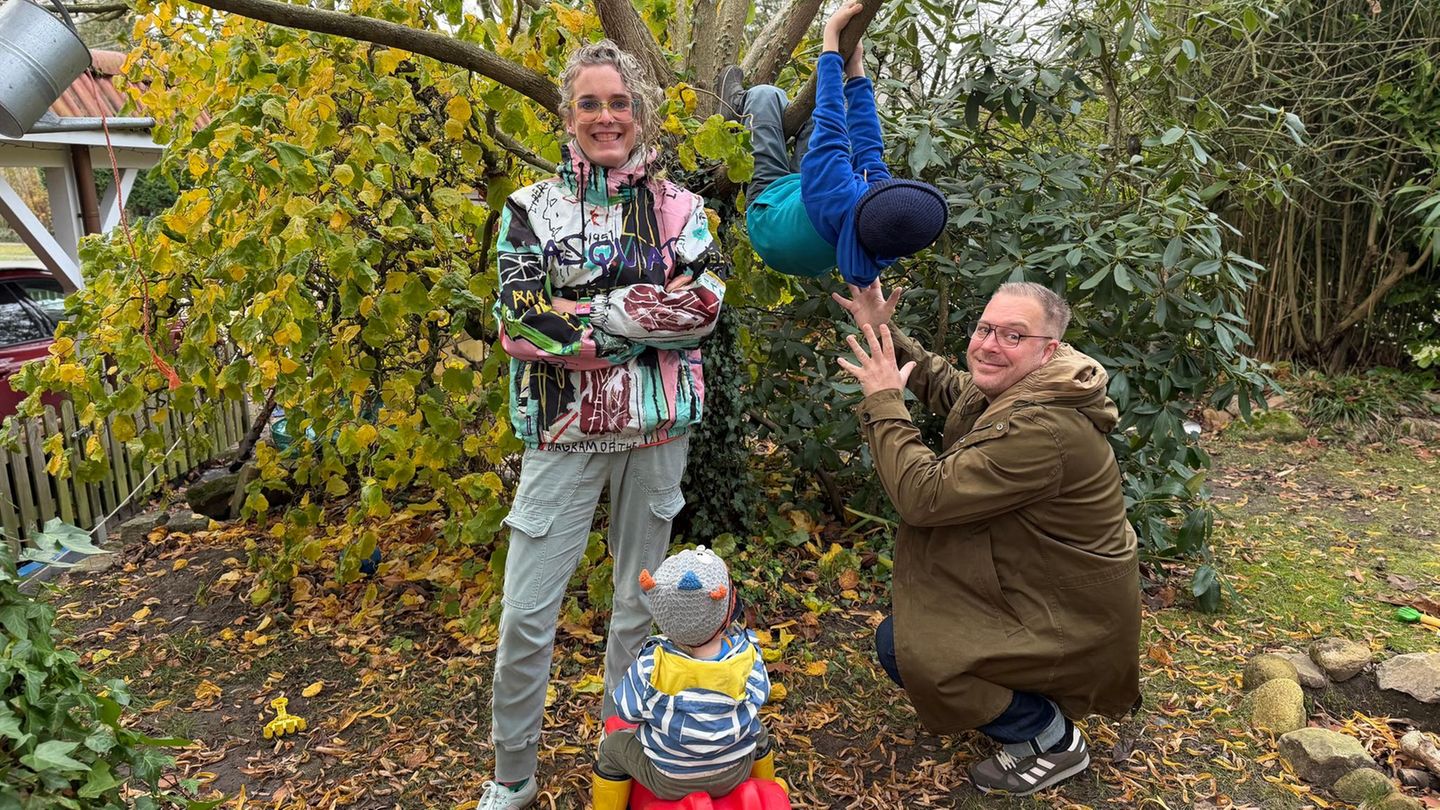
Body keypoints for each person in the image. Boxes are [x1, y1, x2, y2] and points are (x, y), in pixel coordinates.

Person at [479, 39, 732, 810]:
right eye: (590, 103)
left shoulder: (684, 211)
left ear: (641, 112)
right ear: (568, 113)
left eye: (619, 102)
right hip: (561, 438)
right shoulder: (529, 211)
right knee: (526, 617)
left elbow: (706, 311)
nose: (606, 117)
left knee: (638, 613)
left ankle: (615, 766)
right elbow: (518, 326)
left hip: (659, 437)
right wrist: (636, 316)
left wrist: (582, 315)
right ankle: (512, 776)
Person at [833, 280, 1141, 796]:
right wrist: (878, 325)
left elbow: (922, 495)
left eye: (1013, 335)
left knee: (909, 650)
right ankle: (1023, 702)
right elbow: (953, 390)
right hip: (1037, 586)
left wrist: (884, 399)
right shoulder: (1026, 383)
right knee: (917, 631)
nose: (989, 345)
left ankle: (1050, 736)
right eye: (985, 328)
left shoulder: (1043, 427)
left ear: (1050, 348)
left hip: (1069, 615)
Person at [718, 1, 948, 286]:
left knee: (766, 97)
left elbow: (832, 121)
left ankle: (735, 108)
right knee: (814, 130)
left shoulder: (835, 193)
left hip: (768, 223)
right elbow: (868, 146)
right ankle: (787, 138)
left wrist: (831, 40)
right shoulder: (888, 236)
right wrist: (857, 69)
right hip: (809, 240)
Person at [592, 546, 774, 807]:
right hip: (734, 771)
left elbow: (626, 711)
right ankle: (769, 784)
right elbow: (762, 695)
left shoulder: (652, 664)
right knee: (759, 731)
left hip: (669, 779)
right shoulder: (746, 654)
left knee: (612, 749)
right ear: (726, 609)